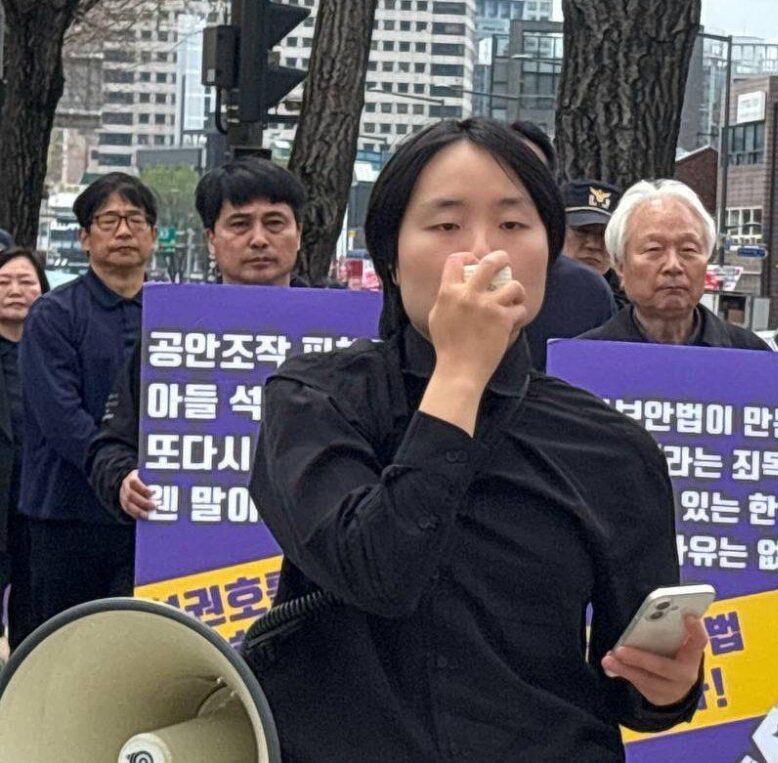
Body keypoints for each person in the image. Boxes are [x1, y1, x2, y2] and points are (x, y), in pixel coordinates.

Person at [245, 118, 707, 761]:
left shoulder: (612, 448)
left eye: (513, 225)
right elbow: (377, 572)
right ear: (391, 258)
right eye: (446, 226)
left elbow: (627, 682)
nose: (484, 251)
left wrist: (669, 688)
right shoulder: (316, 400)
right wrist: (460, 373)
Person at [580, 179, 778, 500]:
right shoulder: (585, 366)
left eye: (689, 250)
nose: (673, 266)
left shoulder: (754, 359)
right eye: (654, 250)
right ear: (619, 265)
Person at [88, 157, 307, 522]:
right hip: (196, 542)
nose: (259, 239)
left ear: (298, 234)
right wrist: (123, 481)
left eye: (275, 223)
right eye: (239, 224)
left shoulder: (338, 335)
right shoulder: (174, 331)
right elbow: (110, 444)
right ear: (211, 240)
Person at [18, 173, 156, 634]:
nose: (124, 232)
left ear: (153, 235)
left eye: (135, 220)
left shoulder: (175, 313)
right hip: (67, 514)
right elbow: (60, 416)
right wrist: (116, 472)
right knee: (64, 642)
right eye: (109, 221)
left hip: (150, 515)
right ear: (84, 237)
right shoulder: (54, 314)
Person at [508, 122, 617, 372]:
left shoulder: (587, 292)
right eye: (582, 232)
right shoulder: (434, 275)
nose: (593, 245)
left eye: (530, 177)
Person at [0, 251, 49, 654]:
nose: (15, 291)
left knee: (33, 615)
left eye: (26, 282)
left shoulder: (56, 353)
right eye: (3, 283)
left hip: (39, 505)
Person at [562, 178, 629, 309]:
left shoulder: (635, 309)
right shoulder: (532, 294)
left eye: (604, 235)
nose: (593, 245)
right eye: (582, 231)